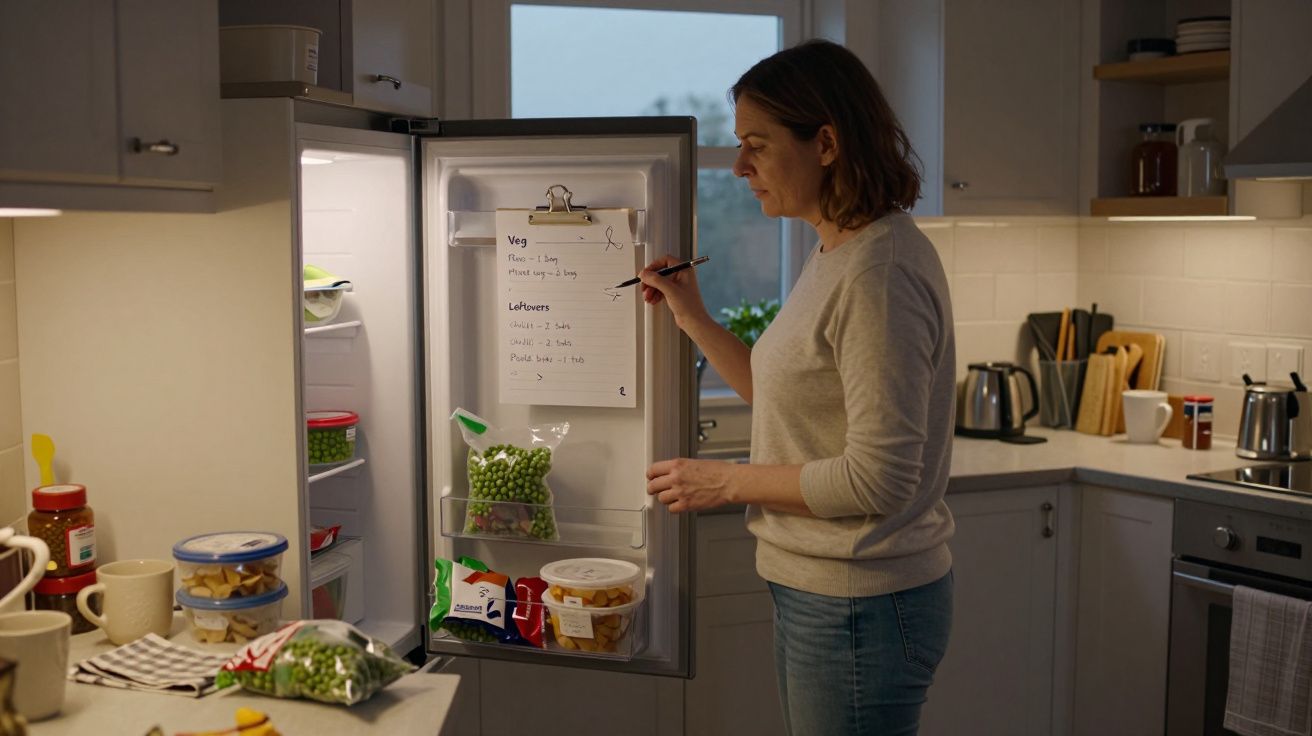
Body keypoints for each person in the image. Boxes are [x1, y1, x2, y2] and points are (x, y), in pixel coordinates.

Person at [639, 39, 956, 736]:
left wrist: (725, 483)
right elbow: (782, 394)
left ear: (826, 143)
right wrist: (693, 315)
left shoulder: (879, 275)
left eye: (756, 143)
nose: (739, 167)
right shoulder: (837, 250)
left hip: (862, 602)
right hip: (828, 594)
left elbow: (879, 480)